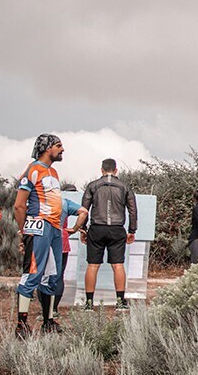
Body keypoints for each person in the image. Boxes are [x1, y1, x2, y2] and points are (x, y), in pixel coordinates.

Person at [14, 134, 66, 336]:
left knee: (52, 275)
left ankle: (48, 321)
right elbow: (19, 205)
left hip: (54, 228)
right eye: (58, 146)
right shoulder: (33, 169)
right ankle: (21, 324)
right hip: (39, 226)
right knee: (32, 273)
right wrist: (24, 231)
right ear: (47, 148)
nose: (62, 149)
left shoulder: (54, 172)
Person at [81, 158, 138, 311]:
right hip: (117, 229)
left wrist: (83, 229)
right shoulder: (124, 187)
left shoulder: (92, 185)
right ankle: (120, 302)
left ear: (101, 170)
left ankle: (89, 304)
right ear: (116, 170)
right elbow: (132, 210)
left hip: (96, 228)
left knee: (92, 265)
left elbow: (84, 210)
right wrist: (132, 230)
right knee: (118, 265)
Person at [56, 185, 85, 316]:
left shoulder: (41, 202)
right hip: (62, 240)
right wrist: (75, 228)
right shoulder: (65, 203)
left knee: (43, 276)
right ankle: (54, 308)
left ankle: (45, 308)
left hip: (44, 241)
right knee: (59, 275)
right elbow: (84, 212)